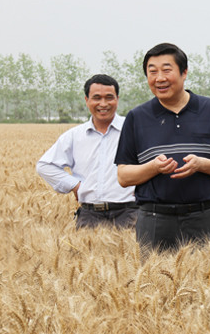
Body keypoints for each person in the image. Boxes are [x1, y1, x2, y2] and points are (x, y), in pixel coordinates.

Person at [115, 43, 210, 253]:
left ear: (184, 72)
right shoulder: (137, 117)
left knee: (209, 274)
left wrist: (201, 164)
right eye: (152, 72)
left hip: (204, 218)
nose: (159, 78)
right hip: (154, 219)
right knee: (153, 274)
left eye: (166, 70)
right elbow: (123, 176)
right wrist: (154, 167)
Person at [37, 74, 137, 229]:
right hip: (89, 215)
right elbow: (45, 165)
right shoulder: (74, 136)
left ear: (117, 99)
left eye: (109, 97)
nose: (103, 104)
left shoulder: (134, 129)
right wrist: (75, 186)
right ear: (87, 100)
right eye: (96, 98)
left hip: (130, 213)